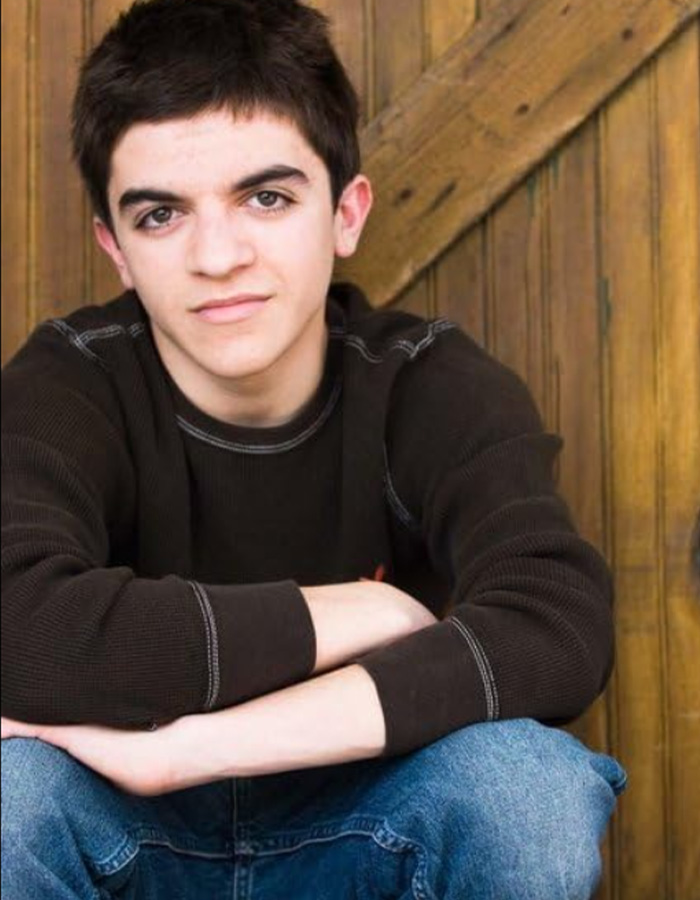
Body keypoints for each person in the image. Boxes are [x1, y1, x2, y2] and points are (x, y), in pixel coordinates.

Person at [0, 0, 627, 896]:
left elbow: (557, 623)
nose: (218, 256)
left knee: (526, 789)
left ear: (345, 212)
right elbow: (21, 625)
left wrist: (189, 750)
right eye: (161, 216)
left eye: (266, 197)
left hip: (366, 814)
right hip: (122, 830)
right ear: (115, 248)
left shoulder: (424, 383)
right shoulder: (68, 384)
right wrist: (355, 614)